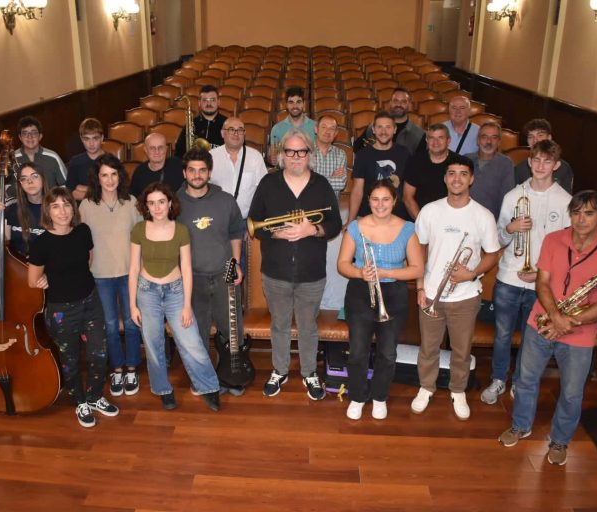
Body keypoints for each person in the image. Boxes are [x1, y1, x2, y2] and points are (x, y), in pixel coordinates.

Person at [498, 190, 597, 466]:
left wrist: (568, 322)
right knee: (525, 380)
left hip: (579, 332)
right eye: (576, 212)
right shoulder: (554, 240)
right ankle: (521, 425)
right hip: (541, 323)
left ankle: (560, 440)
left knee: (571, 391)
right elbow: (542, 283)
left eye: (589, 213)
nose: (581, 219)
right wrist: (556, 317)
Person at [247, 128, 342, 400]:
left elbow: (334, 224)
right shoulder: (268, 184)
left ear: (309, 154)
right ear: (282, 155)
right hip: (275, 270)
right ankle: (279, 369)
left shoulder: (321, 185)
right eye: (290, 151)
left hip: (311, 271)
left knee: (308, 325)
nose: (296, 157)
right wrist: (275, 232)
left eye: (301, 152)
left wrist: (312, 231)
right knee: (279, 323)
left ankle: (310, 372)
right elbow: (254, 223)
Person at [481, 139, 571, 405]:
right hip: (508, 277)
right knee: (503, 335)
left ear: (556, 165)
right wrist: (510, 229)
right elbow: (497, 239)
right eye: (536, 160)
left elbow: (566, 250)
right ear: (529, 163)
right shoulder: (513, 196)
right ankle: (498, 380)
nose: (541, 166)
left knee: (531, 339)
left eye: (547, 161)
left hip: (542, 283)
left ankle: (521, 382)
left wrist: (542, 273)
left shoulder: (565, 202)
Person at [411, 159, 500, 420]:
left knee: (461, 350)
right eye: (452, 174)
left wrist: (471, 273)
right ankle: (426, 387)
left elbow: (493, 254)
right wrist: (419, 287)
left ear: (471, 179)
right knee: (429, 348)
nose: (457, 178)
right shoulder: (429, 211)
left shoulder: (483, 215)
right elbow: (419, 250)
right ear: (445, 178)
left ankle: (458, 390)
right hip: (431, 293)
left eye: (463, 174)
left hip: (466, 296)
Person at [27, 187, 119, 428]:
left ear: (73, 208)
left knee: (98, 353)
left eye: (67, 204)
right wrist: (44, 278)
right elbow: (31, 280)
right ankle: (80, 401)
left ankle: (95, 396)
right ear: (48, 210)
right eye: (56, 206)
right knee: (70, 360)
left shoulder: (83, 232)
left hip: (90, 301)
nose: (62, 211)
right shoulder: (41, 244)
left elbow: (87, 260)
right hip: (61, 310)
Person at [129, 182, 221, 411]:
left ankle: (208, 387)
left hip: (175, 291)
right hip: (147, 291)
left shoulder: (181, 230)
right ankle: (163, 390)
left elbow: (187, 268)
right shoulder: (139, 230)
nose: (157, 207)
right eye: (151, 203)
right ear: (145, 206)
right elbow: (133, 269)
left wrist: (186, 305)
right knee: (153, 344)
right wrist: (132, 305)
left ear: (170, 203)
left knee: (192, 342)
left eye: (161, 201)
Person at [337, 179, 424, 420]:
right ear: (368, 201)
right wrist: (359, 272)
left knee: (387, 352)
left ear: (394, 201)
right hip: (359, 292)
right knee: (358, 351)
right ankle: (357, 396)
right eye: (375, 199)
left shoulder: (407, 228)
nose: (380, 204)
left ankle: (379, 397)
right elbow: (343, 264)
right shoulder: (356, 227)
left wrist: (386, 273)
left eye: (386, 199)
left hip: (393, 293)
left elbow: (417, 269)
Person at [177, 148, 247, 395]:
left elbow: (236, 232)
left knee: (231, 328)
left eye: (202, 170)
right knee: (197, 332)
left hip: (223, 274)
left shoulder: (225, 200)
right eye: (192, 170)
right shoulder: (174, 203)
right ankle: (204, 380)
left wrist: (236, 263)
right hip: (191, 279)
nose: (197, 175)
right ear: (185, 172)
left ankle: (231, 376)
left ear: (209, 172)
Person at [79, 154, 143, 399]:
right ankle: (116, 369)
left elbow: (140, 237)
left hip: (129, 273)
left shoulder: (131, 202)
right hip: (100, 275)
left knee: (130, 322)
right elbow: (81, 241)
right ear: (97, 178)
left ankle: (131, 368)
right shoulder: (86, 206)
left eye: (113, 174)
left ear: (120, 176)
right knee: (109, 326)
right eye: (104, 174)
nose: (109, 179)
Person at [347, 111, 411, 225]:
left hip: (398, 217)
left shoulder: (405, 153)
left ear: (395, 129)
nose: (383, 132)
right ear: (373, 129)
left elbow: (408, 191)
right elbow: (357, 191)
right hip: (368, 216)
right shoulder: (362, 155)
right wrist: (350, 221)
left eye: (388, 127)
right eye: (379, 127)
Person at [402, 124, 471, 220]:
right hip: (419, 219)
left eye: (440, 138)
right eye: (431, 138)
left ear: (448, 141)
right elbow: (407, 197)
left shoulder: (459, 163)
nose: (436, 142)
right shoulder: (415, 161)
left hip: (450, 220)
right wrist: (422, 223)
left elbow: (462, 196)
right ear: (426, 140)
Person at [209, 117, 268, 219]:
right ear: (222, 133)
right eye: (231, 129)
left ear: (244, 134)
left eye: (240, 130)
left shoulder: (255, 157)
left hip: (246, 222)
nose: (236, 133)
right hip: (218, 220)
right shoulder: (211, 157)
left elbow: (265, 191)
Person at [0, 162, 48, 260]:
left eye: (34, 176)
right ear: (20, 184)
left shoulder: (55, 208)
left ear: (42, 178)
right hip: (18, 267)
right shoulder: (12, 209)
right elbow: (4, 244)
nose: (29, 181)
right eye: (24, 178)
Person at [10, 116, 67, 204]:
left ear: (40, 136)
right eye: (25, 133)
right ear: (20, 137)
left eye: (34, 133)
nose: (30, 137)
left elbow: (65, 185)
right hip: (23, 210)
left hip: (51, 207)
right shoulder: (11, 159)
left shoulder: (53, 157)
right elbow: (7, 190)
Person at [353, 88, 426, 155]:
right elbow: (356, 148)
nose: (399, 105)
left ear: (409, 105)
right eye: (395, 101)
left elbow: (420, 163)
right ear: (390, 103)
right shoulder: (374, 127)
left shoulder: (419, 135)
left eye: (403, 102)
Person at [466, 121, 515, 219]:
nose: (489, 141)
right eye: (484, 137)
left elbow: (507, 198)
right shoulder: (465, 160)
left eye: (494, 137)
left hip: (491, 221)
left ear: (499, 142)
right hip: (465, 217)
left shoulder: (505, 164)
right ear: (478, 140)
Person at [514, 118, 574, 193]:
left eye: (540, 135)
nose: (535, 140)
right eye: (530, 137)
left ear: (549, 137)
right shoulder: (520, 168)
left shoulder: (564, 168)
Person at [174, 85, 227, 157]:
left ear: (218, 102)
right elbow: (179, 153)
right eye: (205, 100)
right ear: (199, 103)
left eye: (212, 100)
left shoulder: (228, 124)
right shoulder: (190, 125)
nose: (209, 104)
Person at [129, 132, 185, 200]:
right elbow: (134, 200)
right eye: (152, 148)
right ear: (146, 150)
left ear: (166, 148)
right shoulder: (139, 172)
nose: (157, 152)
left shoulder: (178, 165)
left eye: (160, 147)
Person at [269, 86, 317, 162]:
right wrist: (273, 159)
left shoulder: (315, 127)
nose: (295, 106)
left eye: (298, 102)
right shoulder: (276, 129)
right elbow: (274, 158)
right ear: (286, 105)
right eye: (291, 102)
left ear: (303, 104)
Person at [67, 118, 106, 201]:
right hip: (82, 210)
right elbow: (72, 193)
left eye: (95, 138)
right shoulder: (75, 161)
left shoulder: (111, 161)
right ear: (81, 139)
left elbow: (114, 191)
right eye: (87, 139)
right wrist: (98, 192)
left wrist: (81, 188)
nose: (91, 143)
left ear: (102, 138)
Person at [311, 114, 348, 198]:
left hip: (332, 207)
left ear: (335, 133)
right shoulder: (305, 151)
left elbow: (341, 183)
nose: (327, 131)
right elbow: (303, 182)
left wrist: (314, 180)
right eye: (324, 127)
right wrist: (332, 177)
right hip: (309, 205)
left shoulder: (340, 154)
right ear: (316, 129)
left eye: (332, 128)